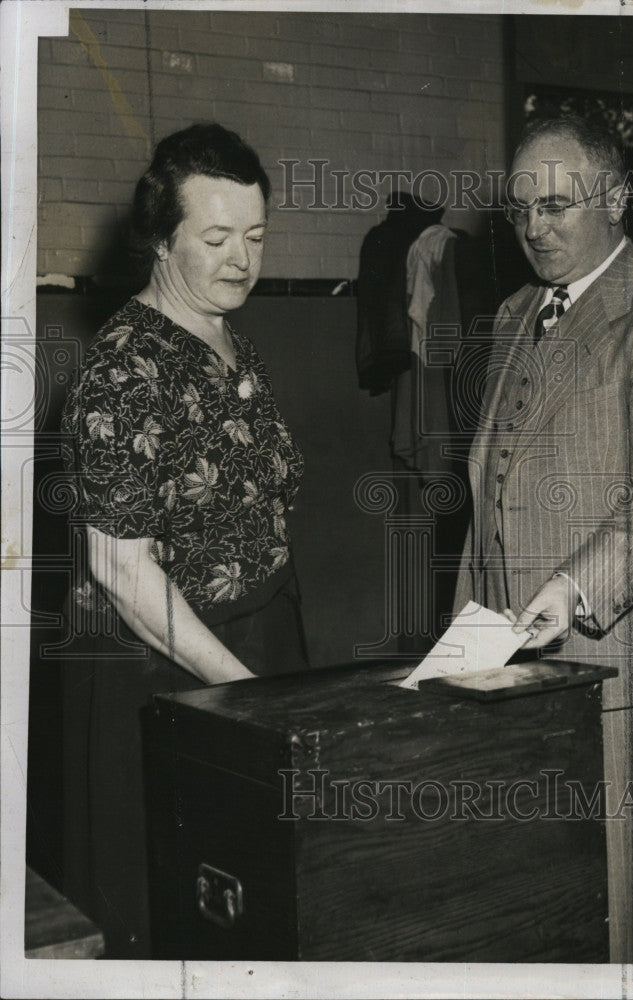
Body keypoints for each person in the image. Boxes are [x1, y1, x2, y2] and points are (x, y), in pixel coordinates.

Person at [454, 114, 633, 963]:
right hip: (518, 672)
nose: (534, 227)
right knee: (547, 909)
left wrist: (574, 589)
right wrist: (464, 638)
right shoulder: (512, 314)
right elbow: (487, 493)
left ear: (616, 198)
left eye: (556, 206)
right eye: (519, 210)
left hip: (627, 666)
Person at [59, 123, 308, 957]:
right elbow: (123, 574)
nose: (242, 258)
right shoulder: (121, 372)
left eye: (256, 236)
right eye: (215, 237)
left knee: (268, 893)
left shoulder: (227, 334)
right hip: (166, 672)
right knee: (180, 913)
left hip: (256, 642)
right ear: (162, 241)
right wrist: (250, 696)